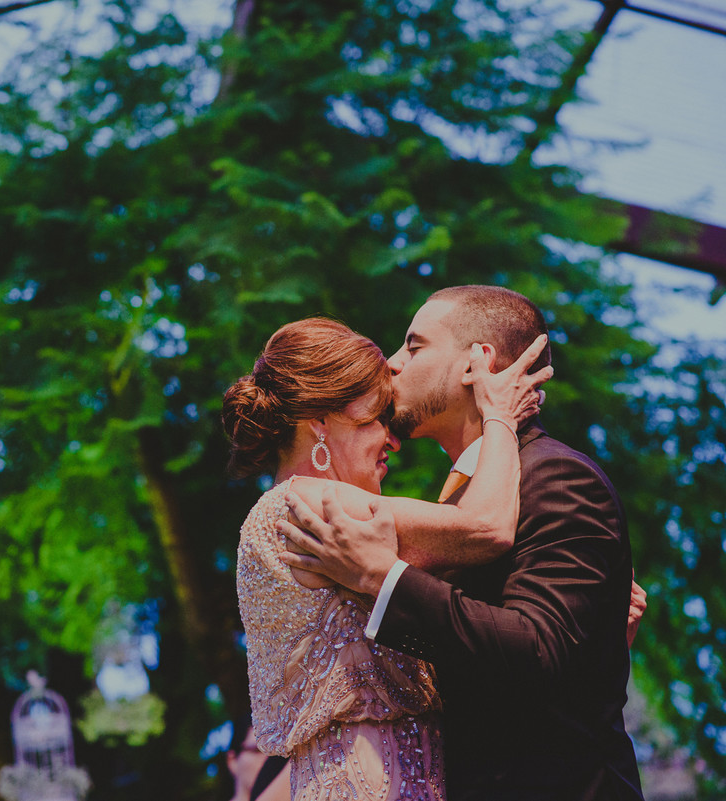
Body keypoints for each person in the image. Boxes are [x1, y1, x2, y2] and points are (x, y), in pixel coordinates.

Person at [278, 286, 644, 800]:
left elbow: (538, 650)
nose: (392, 363)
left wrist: (382, 579)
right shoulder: (466, 499)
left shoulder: (556, 476)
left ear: (478, 363)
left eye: (415, 345)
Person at [222, 316, 550, 800]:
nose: (392, 440)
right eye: (376, 418)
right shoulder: (314, 507)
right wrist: (498, 415)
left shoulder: (283, 513)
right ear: (320, 421)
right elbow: (488, 527)